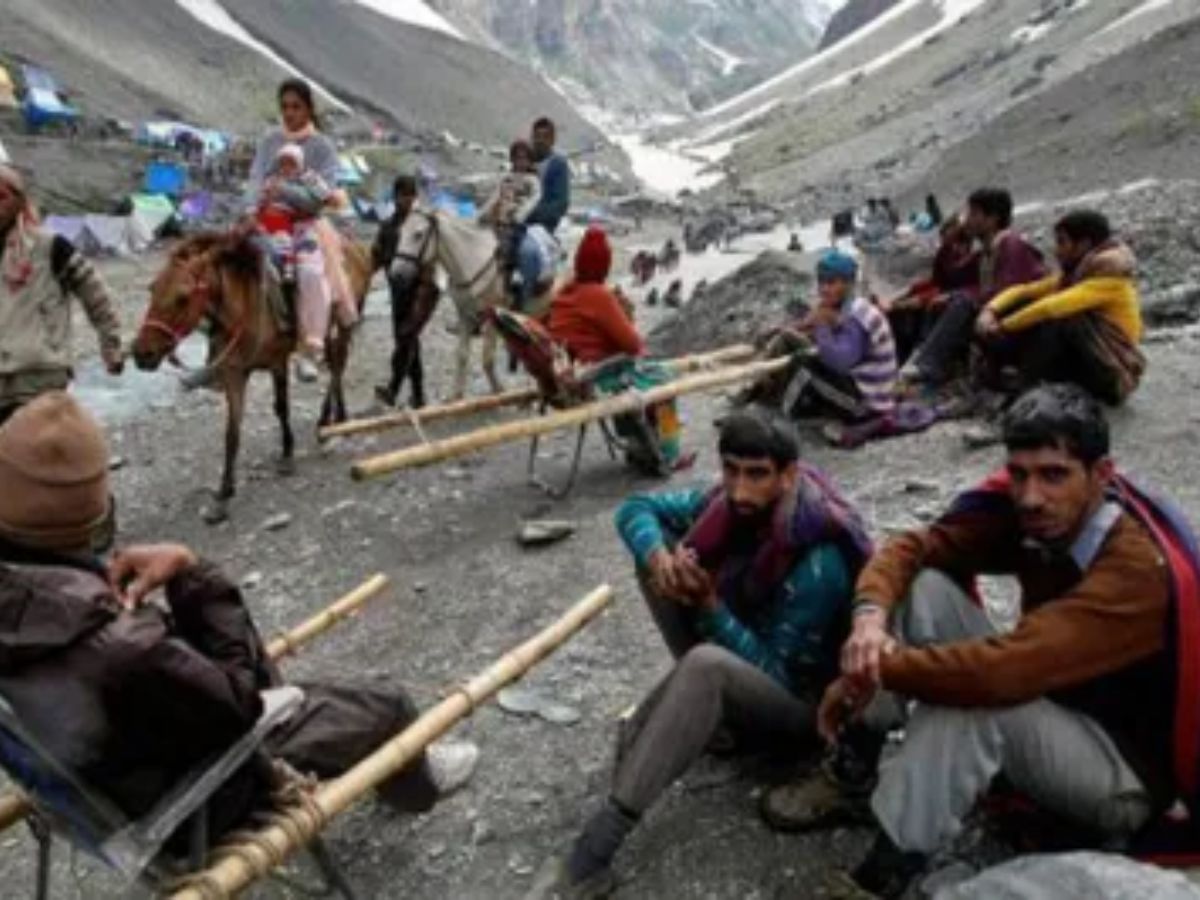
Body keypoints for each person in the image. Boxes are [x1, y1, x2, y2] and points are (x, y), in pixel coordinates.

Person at [767, 384, 1198, 898]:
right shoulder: (1039, 519)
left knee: (977, 704)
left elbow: (1001, 674)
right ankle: (858, 763)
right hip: (1052, 700)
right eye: (1019, 474)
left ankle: (883, 875)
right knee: (923, 586)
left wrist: (873, 669)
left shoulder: (1132, 570)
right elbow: (915, 547)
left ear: (1101, 475)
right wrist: (867, 621)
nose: (1031, 496)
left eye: (1054, 475)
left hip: (1118, 772)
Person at [0, 392, 478, 849]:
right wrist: (191, 571)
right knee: (385, 703)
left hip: (105, 784)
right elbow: (241, 708)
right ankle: (418, 785)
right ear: (96, 513)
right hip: (200, 798)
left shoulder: (31, 596)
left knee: (278, 679)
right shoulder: (122, 643)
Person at [528, 409, 871, 898]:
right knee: (660, 561)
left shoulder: (817, 560)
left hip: (807, 709)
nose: (739, 490)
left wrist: (711, 608)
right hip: (745, 648)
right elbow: (636, 508)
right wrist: (660, 559)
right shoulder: (725, 506)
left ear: (788, 476)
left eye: (757, 475)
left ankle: (594, 853)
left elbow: (783, 673)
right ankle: (709, 717)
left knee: (706, 666)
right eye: (731, 470)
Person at [247, 78, 356, 383]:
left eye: (296, 107)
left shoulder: (322, 147)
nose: (289, 113)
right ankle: (224, 343)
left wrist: (281, 191)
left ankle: (311, 348)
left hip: (307, 224)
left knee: (310, 273)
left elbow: (321, 197)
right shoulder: (269, 141)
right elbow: (255, 180)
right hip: (267, 218)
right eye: (284, 107)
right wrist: (248, 209)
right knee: (233, 259)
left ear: (308, 108)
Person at [547, 228, 684, 471]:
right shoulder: (598, 295)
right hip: (596, 377)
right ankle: (669, 453)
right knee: (664, 380)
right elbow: (633, 344)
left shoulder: (565, 293)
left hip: (570, 374)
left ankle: (636, 442)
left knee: (635, 371)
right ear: (604, 265)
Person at [975, 210, 1144, 406]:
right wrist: (990, 311)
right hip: (1090, 362)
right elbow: (1024, 291)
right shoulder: (1078, 275)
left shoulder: (1110, 279)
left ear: (1084, 245)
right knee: (1024, 305)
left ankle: (1024, 391)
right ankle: (1004, 376)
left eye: (1062, 242)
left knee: (1064, 319)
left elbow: (1052, 307)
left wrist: (1003, 327)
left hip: (1113, 373)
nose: (1056, 250)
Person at [0, 164, 123, 425]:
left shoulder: (50, 247)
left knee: (36, 458)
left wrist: (110, 343)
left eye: (2, 197)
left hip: (39, 378)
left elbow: (94, 293)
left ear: (20, 202)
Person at [902, 188, 1045, 388]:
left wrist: (960, 296)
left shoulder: (1012, 246)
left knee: (961, 301)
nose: (967, 220)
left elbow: (1009, 291)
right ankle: (925, 361)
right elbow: (949, 278)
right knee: (939, 302)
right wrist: (949, 241)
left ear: (992, 218)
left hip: (1018, 325)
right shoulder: (986, 253)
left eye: (973, 214)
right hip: (995, 318)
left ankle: (928, 365)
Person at [746, 250, 898, 426]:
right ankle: (761, 395)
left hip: (867, 401)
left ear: (848, 284)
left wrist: (822, 325)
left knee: (803, 364)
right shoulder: (844, 306)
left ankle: (781, 418)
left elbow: (841, 362)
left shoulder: (857, 315)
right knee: (788, 340)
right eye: (822, 282)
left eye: (831, 282)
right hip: (854, 384)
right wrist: (786, 329)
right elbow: (810, 328)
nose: (824, 289)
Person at [877, 215, 980, 365]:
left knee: (915, 313)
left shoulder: (976, 257)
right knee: (896, 314)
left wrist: (914, 300)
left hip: (956, 302)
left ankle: (920, 358)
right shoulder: (945, 252)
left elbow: (968, 287)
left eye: (955, 241)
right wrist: (906, 294)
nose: (952, 247)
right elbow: (936, 281)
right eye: (947, 242)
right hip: (942, 295)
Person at [372, 174, 437, 409]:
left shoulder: (420, 225)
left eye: (410, 196)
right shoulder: (388, 226)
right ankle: (418, 395)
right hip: (397, 291)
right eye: (402, 196)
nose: (406, 201)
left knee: (406, 339)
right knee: (407, 340)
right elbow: (378, 256)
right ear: (395, 197)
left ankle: (395, 388)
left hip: (420, 290)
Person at [256, 143, 335, 285]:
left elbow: (318, 203)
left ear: (299, 163)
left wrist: (285, 190)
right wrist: (264, 202)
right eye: (283, 163)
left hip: (304, 225)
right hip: (272, 221)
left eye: (291, 163)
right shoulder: (273, 179)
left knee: (309, 270)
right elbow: (262, 201)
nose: (286, 167)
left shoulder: (310, 178)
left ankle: (289, 271)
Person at [517, 117, 571, 308]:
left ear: (552, 139)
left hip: (541, 228)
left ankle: (523, 306)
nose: (539, 140)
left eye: (545, 136)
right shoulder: (523, 160)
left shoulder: (558, 164)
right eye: (536, 135)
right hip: (515, 222)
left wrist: (528, 213)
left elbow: (560, 204)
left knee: (528, 253)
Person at [479, 139, 542, 288]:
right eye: (517, 157)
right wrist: (480, 214)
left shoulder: (532, 180)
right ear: (512, 159)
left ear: (530, 161)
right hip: (499, 221)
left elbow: (534, 198)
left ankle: (514, 276)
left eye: (524, 158)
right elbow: (494, 198)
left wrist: (520, 214)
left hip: (516, 223)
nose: (520, 162)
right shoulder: (506, 178)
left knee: (513, 247)